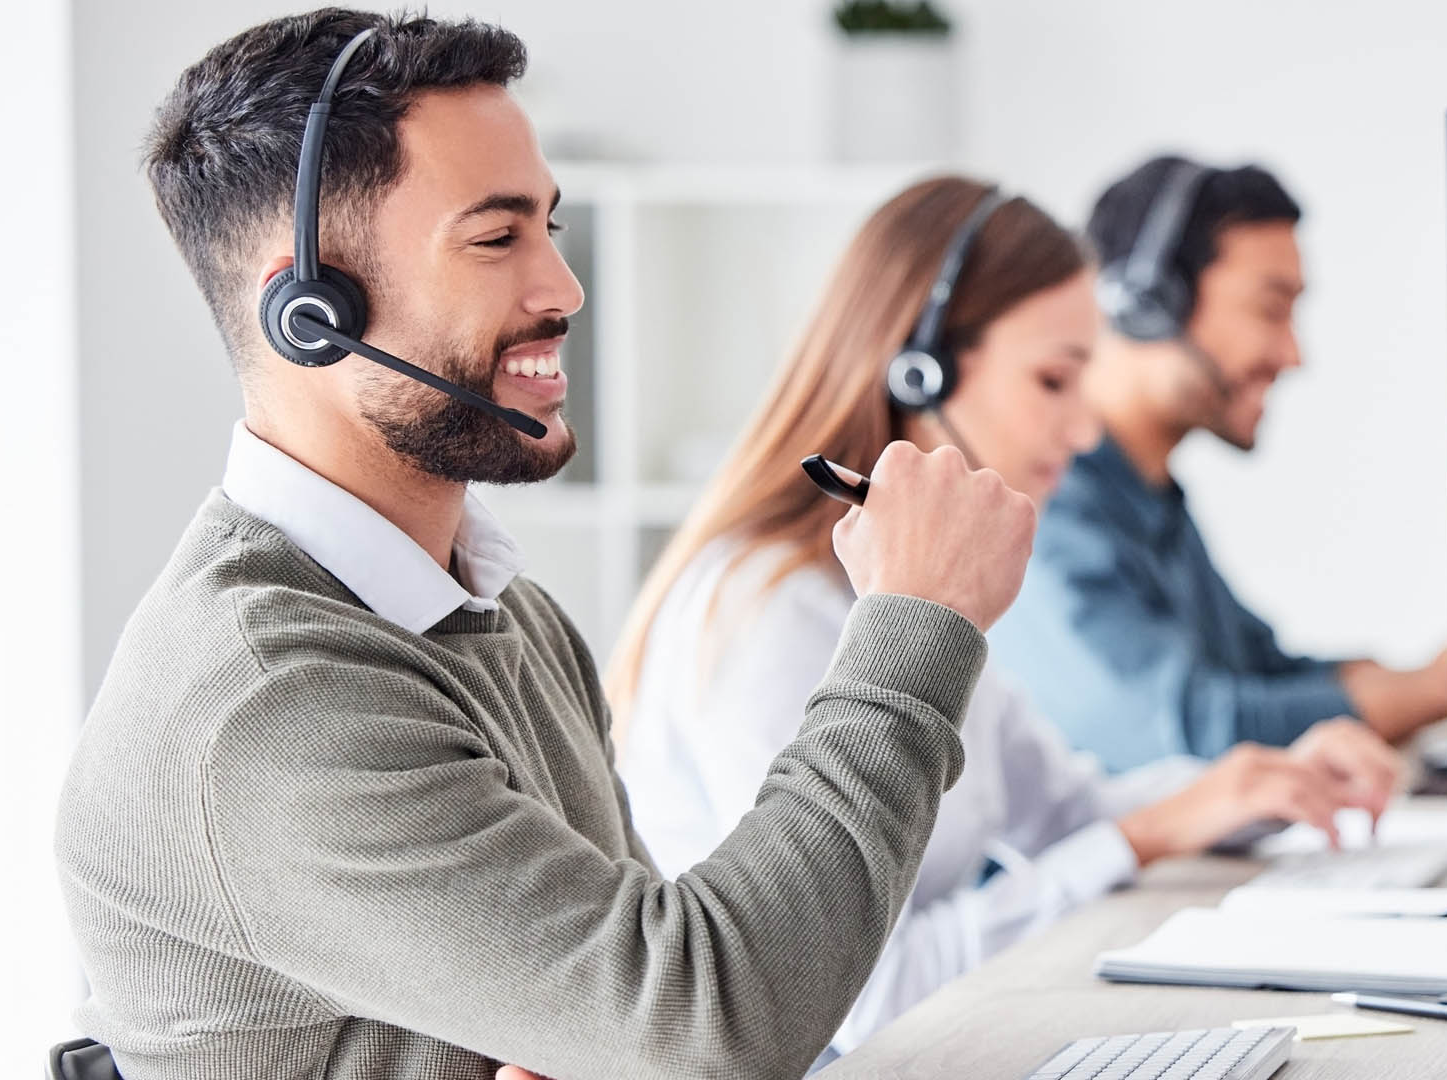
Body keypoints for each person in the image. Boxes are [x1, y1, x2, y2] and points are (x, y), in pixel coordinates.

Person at [52, 11, 1041, 1079]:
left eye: (550, 227)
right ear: (309, 309)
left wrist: (650, 1032)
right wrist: (915, 622)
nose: (565, 290)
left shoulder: (500, 611)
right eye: (496, 238)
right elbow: (712, 1023)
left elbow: (655, 1021)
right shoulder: (271, 699)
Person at [603, 176, 1401, 1061]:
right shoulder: (770, 610)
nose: (1086, 432)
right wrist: (1139, 838)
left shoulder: (925, 588)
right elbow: (862, 999)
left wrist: (1255, 788)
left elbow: (1065, 810)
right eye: (1054, 379)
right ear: (920, 371)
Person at [991, 155, 1447, 772]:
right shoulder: (1049, 506)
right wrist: (1434, 690)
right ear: (1150, 300)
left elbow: (1260, 670)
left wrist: (1412, 678)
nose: (1292, 354)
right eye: (1270, 309)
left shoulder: (1150, 501)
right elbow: (1191, 731)